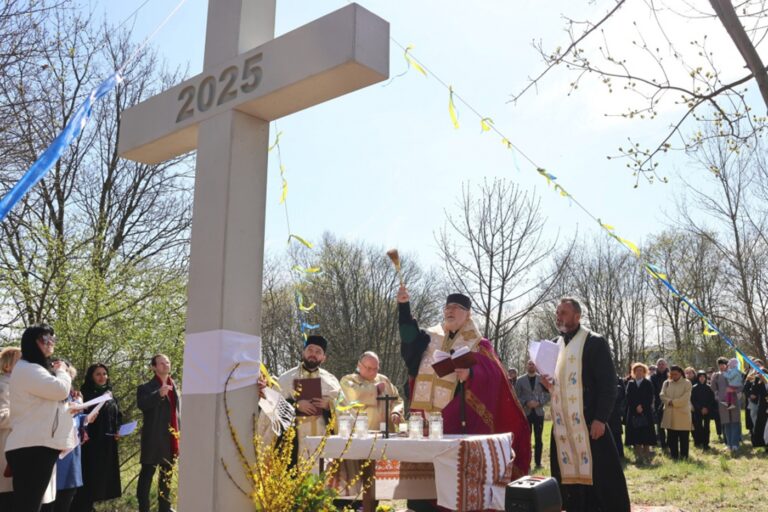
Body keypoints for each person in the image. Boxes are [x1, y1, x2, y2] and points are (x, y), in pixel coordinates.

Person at [397, 285, 531, 477]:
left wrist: (471, 374)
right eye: (447, 307)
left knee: (452, 479)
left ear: (468, 315)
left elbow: (495, 376)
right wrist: (404, 307)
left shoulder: (478, 344)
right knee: (422, 482)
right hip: (423, 421)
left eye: (456, 307)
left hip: (458, 420)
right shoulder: (429, 337)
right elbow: (409, 341)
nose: (450, 310)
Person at [539, 297, 630, 512]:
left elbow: (608, 384)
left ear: (577, 316)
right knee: (567, 478)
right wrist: (546, 384)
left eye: (563, 312)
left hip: (589, 423)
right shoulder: (554, 345)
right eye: (557, 312)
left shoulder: (594, 342)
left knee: (601, 478)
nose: (558, 316)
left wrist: (601, 418)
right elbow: (552, 385)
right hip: (563, 426)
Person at [4, 324, 75, 512]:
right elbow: (60, 390)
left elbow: (50, 403)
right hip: (31, 448)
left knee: (30, 506)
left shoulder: (35, 369)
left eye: (53, 339)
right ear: (31, 342)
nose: (51, 343)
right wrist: (63, 371)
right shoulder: (27, 368)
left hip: (37, 446)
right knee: (28, 506)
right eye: (45, 339)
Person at [277, 335, 341, 463]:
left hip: (322, 438)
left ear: (323, 358)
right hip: (294, 441)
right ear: (303, 352)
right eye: (310, 350)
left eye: (318, 352)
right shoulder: (285, 379)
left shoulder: (331, 381)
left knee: (322, 473)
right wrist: (295, 405)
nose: (313, 354)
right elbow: (273, 406)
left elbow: (345, 409)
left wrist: (329, 405)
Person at [71, 364, 122, 511]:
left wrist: (118, 429)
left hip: (107, 443)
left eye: (104, 374)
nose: (102, 377)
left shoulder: (110, 395)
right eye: (98, 374)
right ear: (91, 377)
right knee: (89, 477)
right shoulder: (85, 394)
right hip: (90, 444)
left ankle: (91, 506)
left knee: (102, 479)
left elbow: (118, 416)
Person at [43, 361, 89, 512]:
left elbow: (77, 421)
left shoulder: (75, 396)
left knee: (68, 495)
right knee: (50, 497)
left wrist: (85, 419)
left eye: (69, 375)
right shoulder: (48, 393)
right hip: (55, 450)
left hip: (72, 451)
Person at [136, 354, 180, 512]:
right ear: (154, 367)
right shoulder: (145, 388)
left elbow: (177, 413)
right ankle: (143, 508)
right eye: (161, 363)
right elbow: (142, 404)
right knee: (147, 475)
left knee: (167, 476)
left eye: (167, 362)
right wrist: (158, 394)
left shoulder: (175, 386)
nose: (166, 365)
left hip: (171, 438)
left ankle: (165, 508)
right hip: (153, 439)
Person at [339, 351, 404, 431]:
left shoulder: (384, 380)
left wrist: (396, 411)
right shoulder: (348, 380)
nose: (373, 372)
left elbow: (397, 399)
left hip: (387, 432)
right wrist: (375, 390)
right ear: (359, 365)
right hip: (361, 433)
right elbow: (354, 394)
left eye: (375, 369)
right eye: (369, 368)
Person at [515, 360, 550, 468]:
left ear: (536, 366)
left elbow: (548, 395)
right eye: (529, 364)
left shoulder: (542, 379)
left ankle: (538, 463)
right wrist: (526, 402)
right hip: (526, 414)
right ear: (527, 366)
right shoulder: (520, 380)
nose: (531, 366)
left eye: (533, 364)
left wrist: (539, 403)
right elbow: (516, 396)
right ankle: (527, 463)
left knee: (539, 439)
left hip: (539, 413)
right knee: (526, 439)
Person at [0, 346, 21, 508]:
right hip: (5, 447)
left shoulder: (20, 386)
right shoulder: (3, 386)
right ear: (7, 365)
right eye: (19, 361)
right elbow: (2, 417)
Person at [659, 365, 693, 460]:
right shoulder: (666, 383)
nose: (673, 376)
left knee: (684, 437)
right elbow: (662, 395)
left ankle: (684, 456)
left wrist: (673, 402)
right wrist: (668, 401)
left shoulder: (687, 383)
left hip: (682, 415)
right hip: (670, 414)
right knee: (671, 437)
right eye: (672, 374)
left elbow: (685, 398)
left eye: (675, 374)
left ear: (680, 373)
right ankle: (674, 455)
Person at [624, 363, 656, 463]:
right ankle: (638, 455)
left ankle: (646, 454)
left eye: (641, 370)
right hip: (633, 412)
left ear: (644, 372)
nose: (639, 372)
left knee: (646, 433)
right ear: (633, 372)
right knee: (635, 434)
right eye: (637, 370)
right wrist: (636, 406)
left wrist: (642, 406)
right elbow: (628, 397)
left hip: (645, 412)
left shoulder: (648, 383)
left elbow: (650, 397)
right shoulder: (631, 383)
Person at [711, 356, 742, 451]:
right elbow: (713, 387)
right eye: (719, 365)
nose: (721, 367)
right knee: (726, 423)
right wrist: (716, 392)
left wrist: (735, 391)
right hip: (722, 402)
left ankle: (735, 444)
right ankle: (729, 444)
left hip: (734, 400)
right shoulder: (717, 375)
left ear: (727, 365)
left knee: (734, 422)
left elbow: (740, 386)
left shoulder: (734, 373)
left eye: (723, 365)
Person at [691, 370, 716, 450]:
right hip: (698, 410)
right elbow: (693, 400)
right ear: (698, 378)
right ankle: (698, 441)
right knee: (698, 426)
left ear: (705, 378)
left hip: (707, 410)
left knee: (706, 427)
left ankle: (706, 443)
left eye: (703, 377)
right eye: (700, 377)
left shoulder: (709, 387)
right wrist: (700, 408)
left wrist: (707, 408)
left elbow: (711, 399)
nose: (702, 378)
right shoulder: (694, 388)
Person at [746, 364, 767, 449]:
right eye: (759, 374)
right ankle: (763, 443)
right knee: (762, 425)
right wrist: (750, 379)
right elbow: (752, 392)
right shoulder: (758, 383)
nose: (760, 376)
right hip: (763, 407)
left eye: (761, 374)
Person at [650, 358, 669, 450]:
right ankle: (663, 443)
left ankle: (670, 442)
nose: (661, 366)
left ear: (666, 365)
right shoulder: (653, 377)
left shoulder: (670, 376)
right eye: (659, 364)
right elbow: (652, 391)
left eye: (663, 364)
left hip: (669, 402)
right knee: (660, 424)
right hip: (658, 403)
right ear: (657, 366)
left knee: (670, 424)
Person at [608, 375, 626, 460]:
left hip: (615, 412)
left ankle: (620, 454)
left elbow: (622, 396)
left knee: (617, 434)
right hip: (607, 412)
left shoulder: (618, 380)